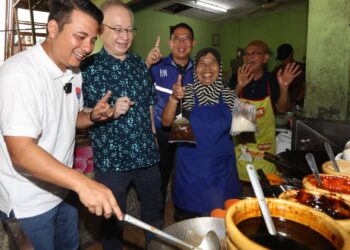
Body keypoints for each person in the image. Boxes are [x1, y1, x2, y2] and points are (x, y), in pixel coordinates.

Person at [0, 1, 124, 249]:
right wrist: (83, 183)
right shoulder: (19, 75)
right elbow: (21, 152)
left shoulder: (73, 70)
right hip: (29, 203)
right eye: (80, 37)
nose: (88, 47)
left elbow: (70, 116)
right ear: (53, 28)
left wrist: (92, 117)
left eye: (92, 39)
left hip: (63, 192)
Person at [80, 1, 163, 249]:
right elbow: (78, 113)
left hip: (147, 158)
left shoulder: (139, 64)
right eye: (117, 29)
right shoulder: (87, 67)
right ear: (101, 30)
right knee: (112, 222)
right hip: (112, 163)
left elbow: (149, 104)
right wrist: (109, 112)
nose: (124, 36)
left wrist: (154, 137)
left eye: (129, 30)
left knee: (154, 214)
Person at [162, 47, 241, 219]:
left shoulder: (230, 96)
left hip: (222, 173)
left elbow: (244, 130)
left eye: (212, 63)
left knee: (222, 225)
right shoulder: (185, 93)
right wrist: (174, 99)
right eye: (202, 64)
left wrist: (247, 114)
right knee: (190, 226)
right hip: (191, 174)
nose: (207, 68)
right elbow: (167, 123)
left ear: (219, 68)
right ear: (195, 69)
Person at [228, 40, 301, 184]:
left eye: (254, 53)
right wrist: (239, 85)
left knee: (265, 185)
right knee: (237, 185)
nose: (249, 57)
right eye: (246, 54)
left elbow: (281, 108)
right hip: (241, 146)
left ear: (265, 58)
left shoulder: (272, 81)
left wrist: (284, 87)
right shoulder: (236, 77)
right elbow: (226, 106)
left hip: (264, 146)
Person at [146, 23, 196, 203]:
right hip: (162, 132)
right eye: (177, 38)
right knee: (160, 178)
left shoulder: (200, 70)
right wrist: (147, 64)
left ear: (193, 43)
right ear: (170, 42)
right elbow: (139, 91)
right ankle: (156, 223)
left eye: (186, 38)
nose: (181, 43)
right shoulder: (156, 66)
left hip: (188, 131)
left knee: (187, 175)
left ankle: (183, 212)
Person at [273, 43, 306, 112]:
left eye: (285, 58)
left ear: (292, 54)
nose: (284, 61)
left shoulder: (302, 68)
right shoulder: (277, 70)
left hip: (299, 105)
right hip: (282, 105)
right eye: (282, 59)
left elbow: (306, 86)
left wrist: (297, 100)